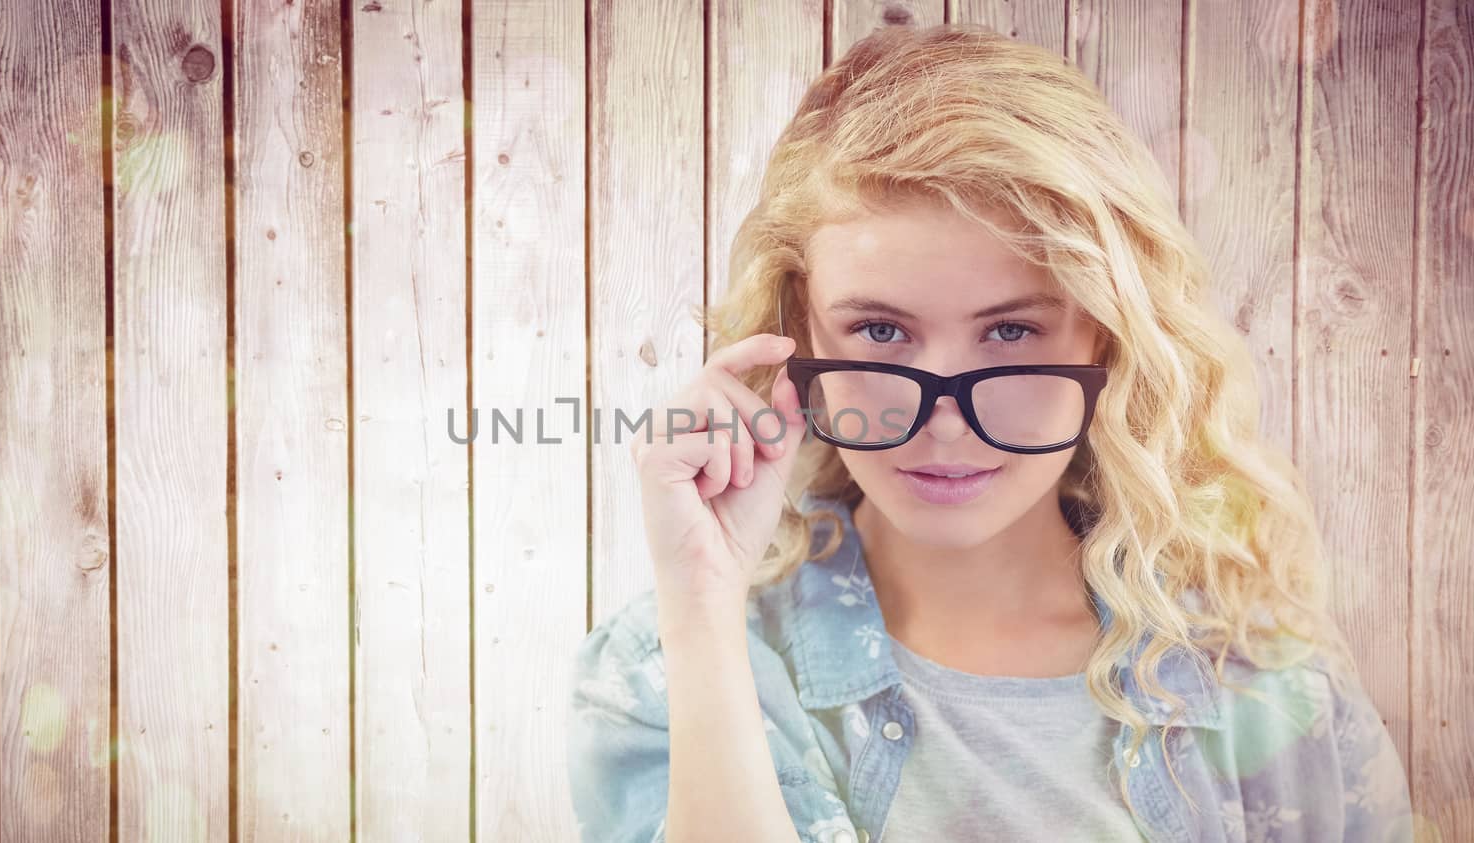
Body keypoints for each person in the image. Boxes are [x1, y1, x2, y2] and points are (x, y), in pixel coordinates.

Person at [566, 22, 1414, 843]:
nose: (942, 419)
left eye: (1011, 332)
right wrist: (703, 610)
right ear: (802, 327)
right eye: (883, 332)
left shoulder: (1270, 686)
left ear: (1107, 341)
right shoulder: (668, 665)